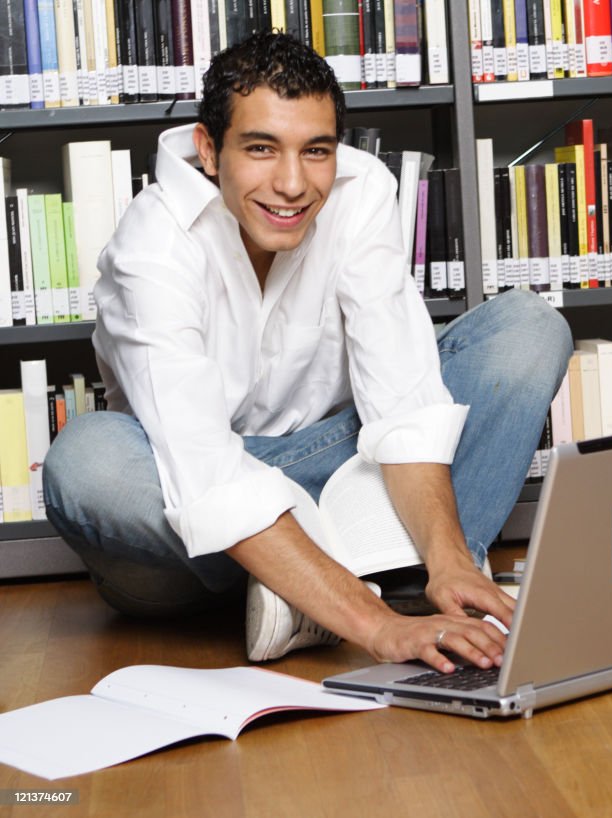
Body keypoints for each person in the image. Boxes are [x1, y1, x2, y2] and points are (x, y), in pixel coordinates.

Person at [43, 32, 572, 675]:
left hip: (330, 465)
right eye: (261, 148)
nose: (292, 184)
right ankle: (356, 582)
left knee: (527, 326)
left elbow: (401, 393)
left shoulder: (363, 191)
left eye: (315, 151)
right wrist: (376, 629)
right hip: (192, 528)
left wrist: (451, 557)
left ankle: (390, 581)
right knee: (86, 461)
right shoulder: (152, 246)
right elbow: (203, 469)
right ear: (209, 150)